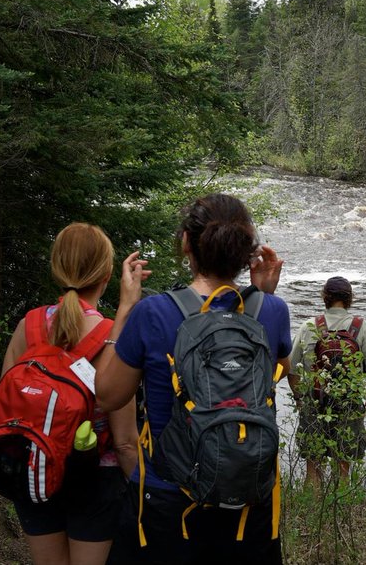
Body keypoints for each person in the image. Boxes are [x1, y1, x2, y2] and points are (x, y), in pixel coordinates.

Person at [94, 193, 290, 564]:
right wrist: (263, 296)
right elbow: (272, 378)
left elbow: (106, 395)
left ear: (186, 243)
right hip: (248, 497)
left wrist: (124, 309)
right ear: (247, 250)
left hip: (168, 497)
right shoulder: (273, 310)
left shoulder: (153, 312)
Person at [0, 223, 140, 565]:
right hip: (95, 478)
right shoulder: (113, 337)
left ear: (56, 268)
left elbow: (6, 405)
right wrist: (144, 495)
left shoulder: (28, 326)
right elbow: (123, 442)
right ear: (107, 274)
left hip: (35, 470)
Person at [287, 276, 366, 491]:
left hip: (314, 402)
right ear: (350, 299)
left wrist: (299, 399)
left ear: (324, 298)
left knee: (313, 467)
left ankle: (311, 512)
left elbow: (291, 370)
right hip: (348, 403)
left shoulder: (308, 326)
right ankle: (340, 512)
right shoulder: (362, 327)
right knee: (343, 468)